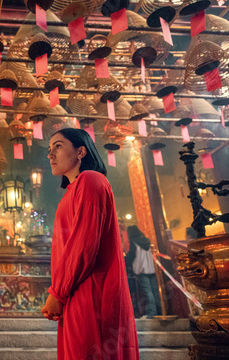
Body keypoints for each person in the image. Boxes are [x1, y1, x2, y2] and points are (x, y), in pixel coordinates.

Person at [41, 128, 139, 359]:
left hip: (90, 292)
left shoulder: (91, 180)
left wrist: (57, 293)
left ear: (81, 151)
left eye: (58, 146)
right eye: (49, 149)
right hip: (74, 293)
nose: (50, 155)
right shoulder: (71, 192)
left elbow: (84, 244)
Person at [125, 225, 162, 318]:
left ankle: (152, 313)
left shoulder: (134, 243)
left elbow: (131, 257)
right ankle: (160, 311)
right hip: (152, 269)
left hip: (142, 270)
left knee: (148, 292)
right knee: (155, 291)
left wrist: (124, 258)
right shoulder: (147, 241)